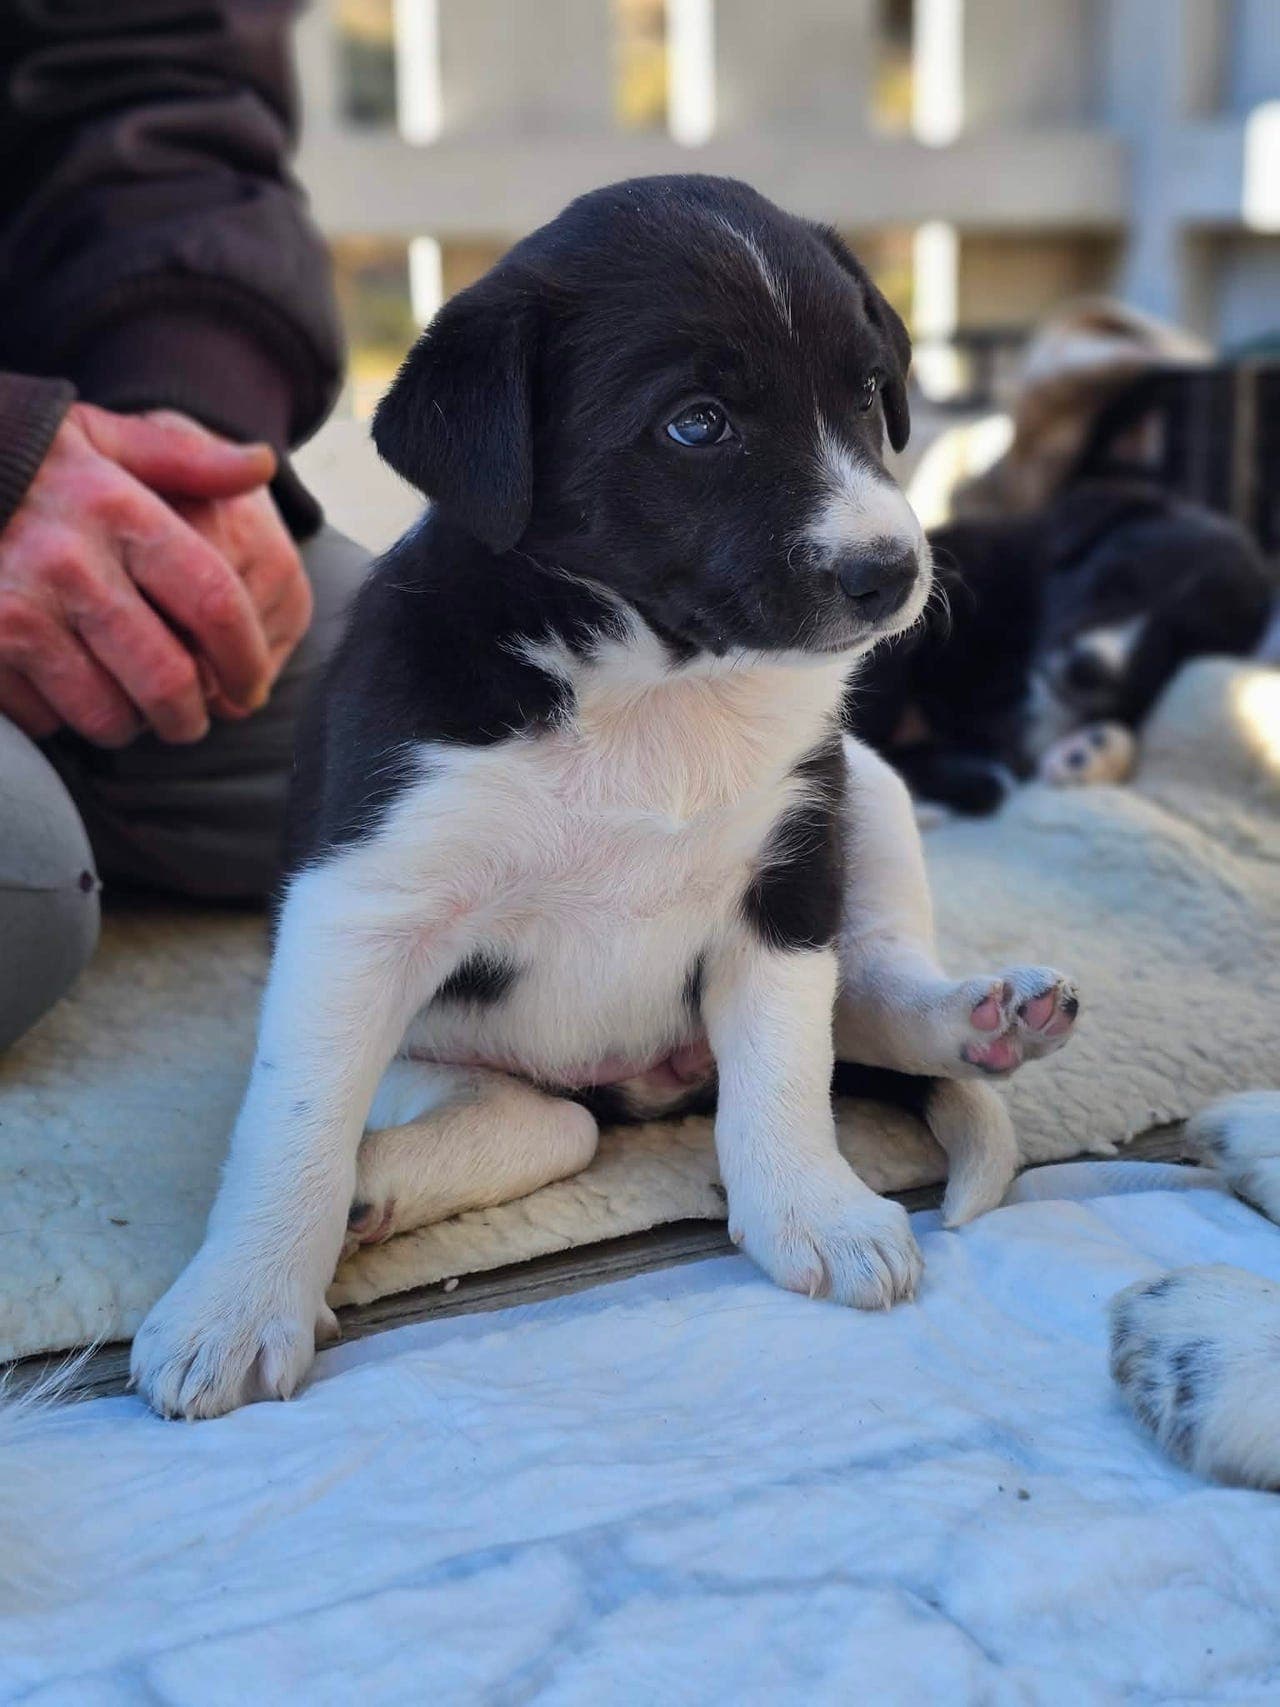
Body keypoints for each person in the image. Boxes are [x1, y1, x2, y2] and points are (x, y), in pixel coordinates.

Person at [0, 2, 368, 1050]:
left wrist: (180, 424)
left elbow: (147, 76)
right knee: (20, 884)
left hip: (57, 436)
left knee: (515, 732)